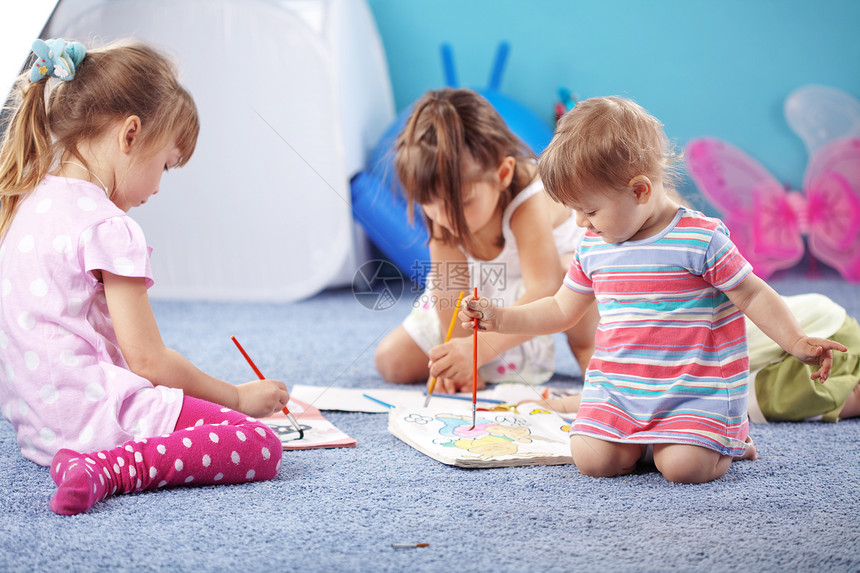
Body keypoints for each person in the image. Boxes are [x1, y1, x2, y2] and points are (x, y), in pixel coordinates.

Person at [459, 96, 847, 484]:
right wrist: (502, 317)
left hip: (691, 389)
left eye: (590, 211)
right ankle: (653, 442)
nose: (580, 223)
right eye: (574, 211)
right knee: (593, 461)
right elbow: (561, 309)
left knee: (683, 470)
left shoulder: (700, 239)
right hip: (619, 390)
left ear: (640, 190)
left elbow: (752, 294)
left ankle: (725, 438)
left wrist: (796, 341)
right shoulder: (593, 246)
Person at [0, 39, 288, 515]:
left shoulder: (26, 202)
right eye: (167, 166)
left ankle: (90, 462)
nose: (157, 187)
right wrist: (235, 396)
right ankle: (110, 469)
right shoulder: (109, 226)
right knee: (256, 442)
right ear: (130, 135)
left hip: (38, 430)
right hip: (94, 423)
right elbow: (148, 362)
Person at [374, 88, 599, 393]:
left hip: (549, 284)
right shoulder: (442, 210)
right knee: (392, 361)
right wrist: (460, 354)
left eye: (463, 203)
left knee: (571, 275)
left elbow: (544, 287)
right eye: (429, 202)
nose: (445, 217)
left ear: (503, 173)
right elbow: (450, 287)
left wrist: (478, 352)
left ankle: (589, 350)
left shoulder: (526, 194)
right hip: (486, 293)